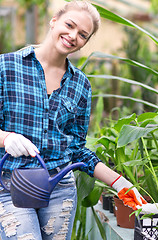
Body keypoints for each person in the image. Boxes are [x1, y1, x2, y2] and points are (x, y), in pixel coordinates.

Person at [0, 1, 146, 239]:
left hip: (59, 190)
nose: (72, 36)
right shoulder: (6, 67)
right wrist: (6, 138)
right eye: (69, 25)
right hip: (10, 185)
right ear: (54, 20)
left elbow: (77, 150)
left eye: (82, 35)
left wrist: (120, 183)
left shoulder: (80, 85)